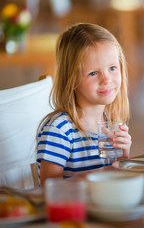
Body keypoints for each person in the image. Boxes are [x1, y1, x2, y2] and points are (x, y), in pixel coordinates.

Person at [36, 23, 132, 186]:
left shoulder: (111, 124)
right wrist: (102, 174)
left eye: (112, 68)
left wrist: (123, 156)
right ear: (72, 80)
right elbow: (49, 189)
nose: (106, 79)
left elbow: (116, 178)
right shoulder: (60, 130)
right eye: (93, 73)